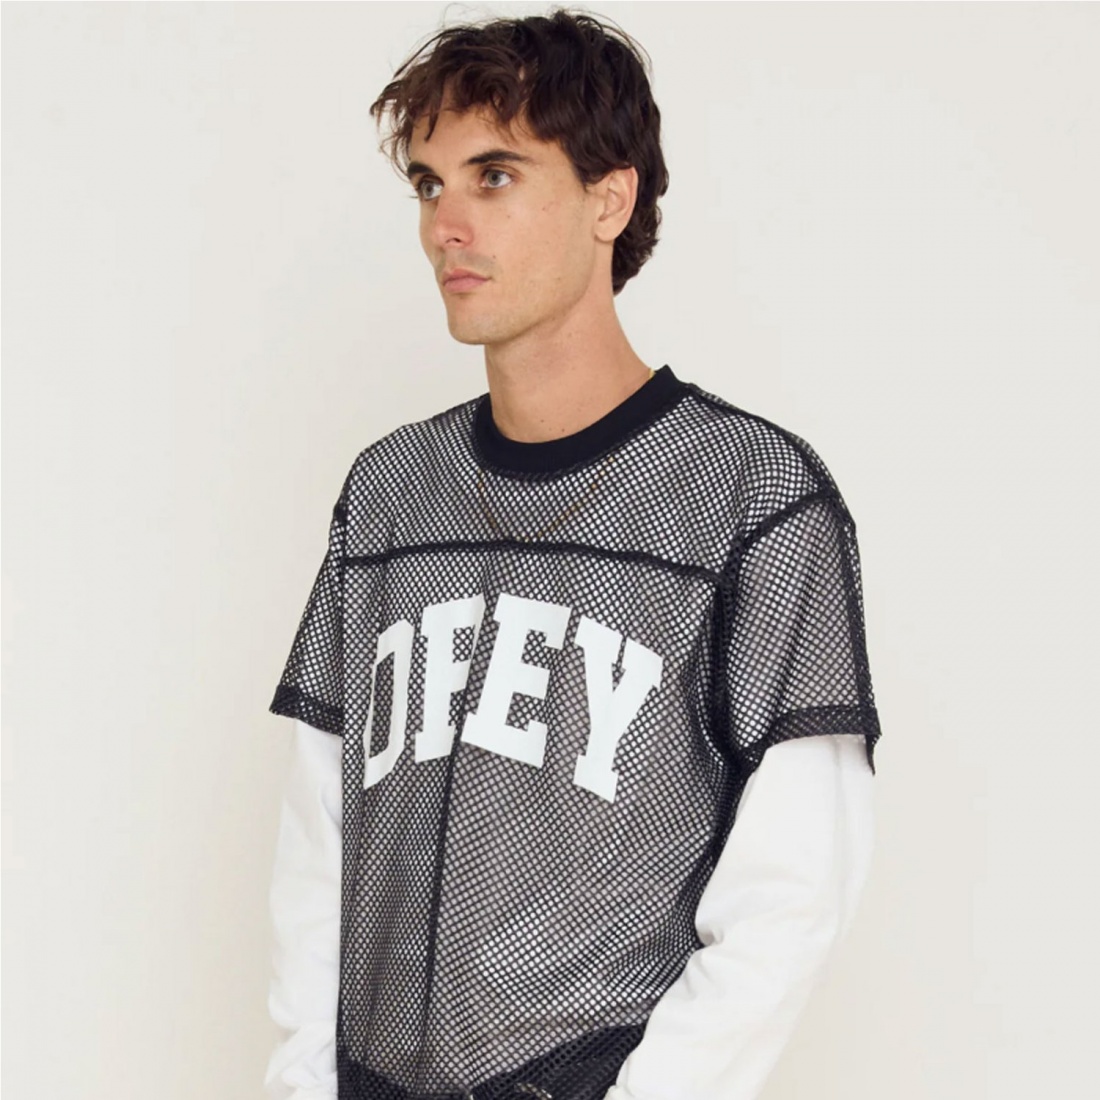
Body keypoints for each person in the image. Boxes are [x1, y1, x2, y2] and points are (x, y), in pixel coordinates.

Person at [264, 9, 882, 1100]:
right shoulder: (389, 491)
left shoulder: (753, 497)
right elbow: (322, 837)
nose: (447, 225)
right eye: (428, 185)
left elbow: (790, 896)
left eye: (494, 176)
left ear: (610, 197)